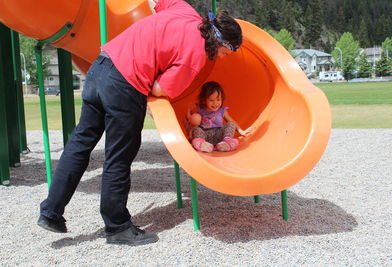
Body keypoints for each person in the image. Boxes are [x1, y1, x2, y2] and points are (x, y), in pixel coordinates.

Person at [37, 0, 242, 246]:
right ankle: (117, 227)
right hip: (125, 85)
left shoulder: (185, 11)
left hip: (100, 67)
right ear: (220, 42)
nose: (222, 56)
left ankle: (51, 212)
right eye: (226, 52)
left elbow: (155, 2)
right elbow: (158, 88)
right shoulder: (196, 55)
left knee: (80, 143)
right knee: (119, 157)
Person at [186, 81, 254, 152]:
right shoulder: (200, 109)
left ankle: (226, 143)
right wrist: (190, 129)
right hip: (204, 135)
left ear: (222, 98)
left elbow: (231, 121)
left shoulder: (222, 110)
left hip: (219, 135)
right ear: (204, 100)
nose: (215, 103)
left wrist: (241, 131)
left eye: (218, 99)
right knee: (197, 128)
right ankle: (203, 144)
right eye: (211, 100)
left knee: (231, 124)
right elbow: (193, 120)